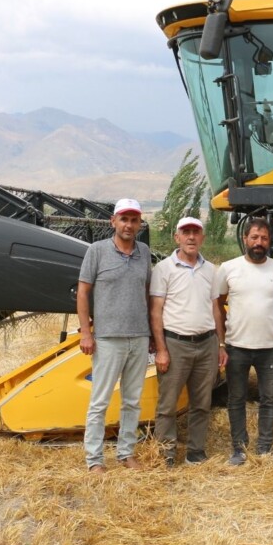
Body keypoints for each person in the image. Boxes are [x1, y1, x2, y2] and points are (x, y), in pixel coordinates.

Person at [78, 198, 153, 473]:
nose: (129, 225)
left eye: (134, 220)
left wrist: (151, 334)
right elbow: (83, 292)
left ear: (139, 224)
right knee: (100, 401)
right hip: (108, 338)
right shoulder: (97, 251)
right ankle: (95, 460)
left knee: (132, 400)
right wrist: (87, 332)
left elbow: (146, 292)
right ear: (113, 221)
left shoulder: (144, 252)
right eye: (124, 219)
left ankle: (126, 453)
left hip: (139, 337)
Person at [150, 216, 227, 467]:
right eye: (186, 232)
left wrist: (220, 344)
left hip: (206, 344)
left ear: (202, 238)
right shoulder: (163, 269)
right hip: (175, 344)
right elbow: (156, 311)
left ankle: (196, 452)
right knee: (167, 405)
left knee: (202, 403)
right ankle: (166, 455)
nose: (191, 237)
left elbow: (216, 309)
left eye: (196, 232)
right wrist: (161, 349)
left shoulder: (210, 270)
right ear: (177, 237)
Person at [214, 217, 273, 465]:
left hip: (270, 347)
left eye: (264, 238)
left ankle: (265, 447)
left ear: (270, 241)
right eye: (254, 237)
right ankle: (239, 448)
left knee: (269, 398)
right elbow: (218, 304)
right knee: (236, 399)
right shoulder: (228, 268)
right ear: (245, 238)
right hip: (237, 346)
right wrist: (222, 342)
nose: (259, 242)